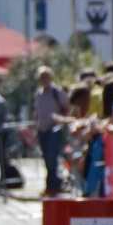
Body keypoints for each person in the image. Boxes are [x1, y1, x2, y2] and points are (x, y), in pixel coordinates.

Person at [31, 66, 69, 195]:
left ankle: (53, 186)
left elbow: (66, 108)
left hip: (54, 130)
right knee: (47, 159)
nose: (44, 80)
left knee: (52, 159)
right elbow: (37, 111)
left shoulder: (57, 92)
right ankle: (51, 185)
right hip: (42, 130)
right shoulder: (38, 93)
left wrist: (61, 121)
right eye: (42, 77)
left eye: (46, 77)